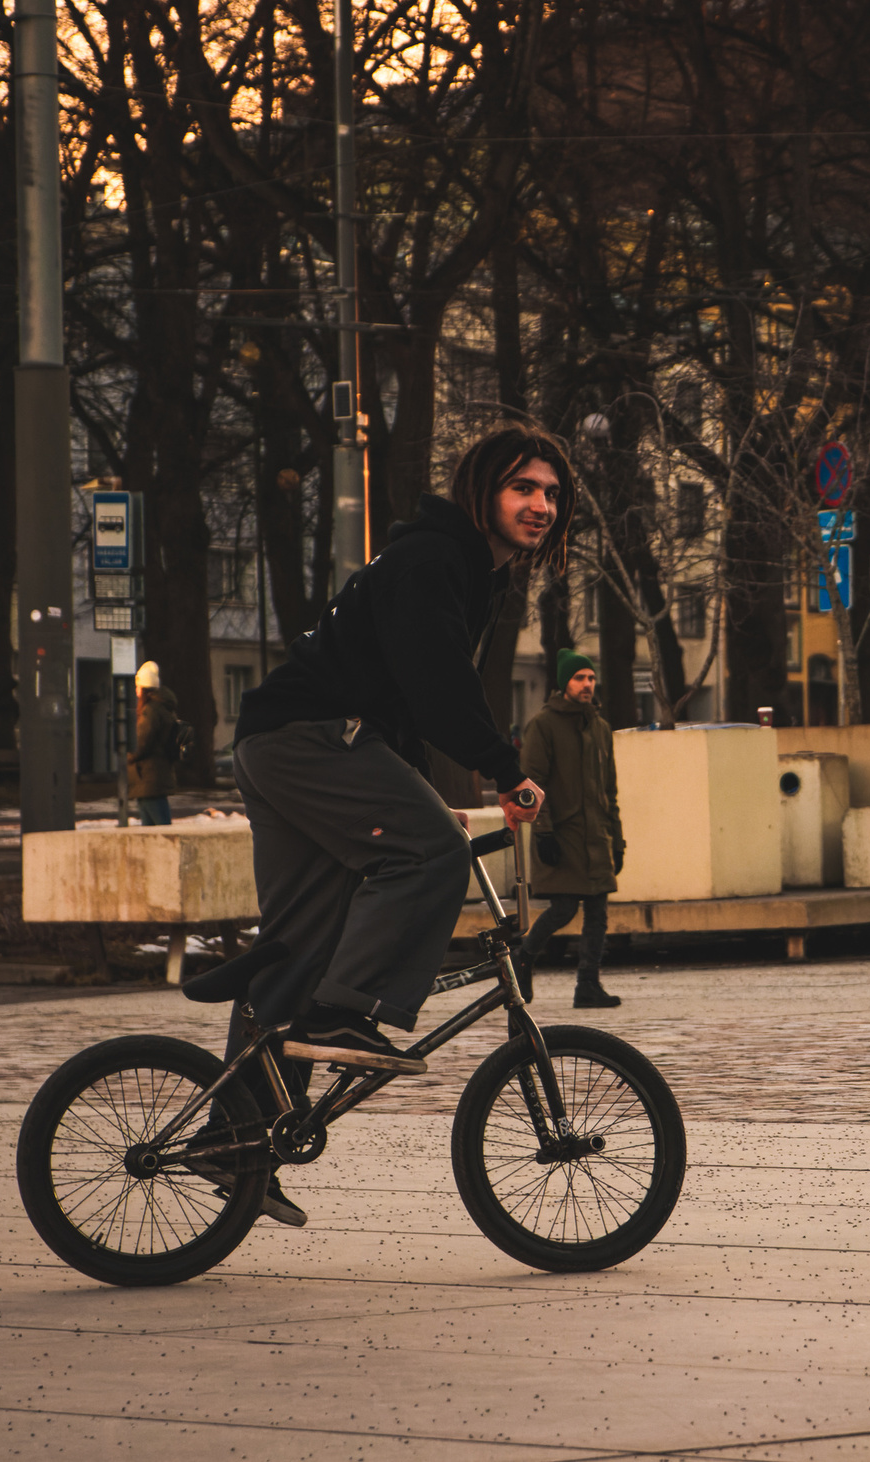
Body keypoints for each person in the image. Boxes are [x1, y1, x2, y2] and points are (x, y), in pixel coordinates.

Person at [224, 426, 563, 1222]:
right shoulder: (436, 560)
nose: (541, 506)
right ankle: (349, 1012)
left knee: (296, 947)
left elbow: (402, 692)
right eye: (523, 489)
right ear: (483, 492)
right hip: (312, 736)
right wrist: (506, 768)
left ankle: (233, 1142)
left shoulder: (454, 563)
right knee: (432, 855)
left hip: (279, 742)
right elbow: (435, 680)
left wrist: (404, 782)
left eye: (551, 493)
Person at [520, 650, 626, 1009]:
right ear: (564, 682)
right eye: (580, 678)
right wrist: (544, 832)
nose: (587, 684)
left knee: (597, 912)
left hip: (596, 836)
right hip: (562, 835)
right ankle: (523, 958)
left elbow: (609, 791)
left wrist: (618, 839)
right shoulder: (543, 725)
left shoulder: (600, 728)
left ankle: (588, 985)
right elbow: (532, 783)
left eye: (591, 678)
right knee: (564, 908)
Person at [126, 662, 179, 826]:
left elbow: (142, 741)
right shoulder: (161, 707)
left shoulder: (150, 711)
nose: (136, 691)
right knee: (152, 827)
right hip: (152, 775)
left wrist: (127, 755)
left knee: (159, 826)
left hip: (149, 775)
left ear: (144, 689)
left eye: (138, 687)